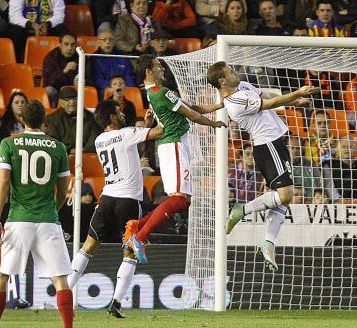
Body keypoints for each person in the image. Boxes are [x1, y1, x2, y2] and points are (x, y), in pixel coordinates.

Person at [207, 61, 318, 272]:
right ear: (222, 80)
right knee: (286, 195)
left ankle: (268, 242)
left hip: (276, 143)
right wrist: (297, 93)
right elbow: (267, 105)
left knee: (281, 197)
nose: (235, 71)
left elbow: (265, 96)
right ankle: (242, 209)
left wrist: (297, 102)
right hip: (267, 145)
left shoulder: (244, 87)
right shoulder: (234, 101)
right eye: (230, 71)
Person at [123, 55, 227, 264]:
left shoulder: (155, 94)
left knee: (183, 202)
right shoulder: (161, 93)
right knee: (179, 199)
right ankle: (140, 238)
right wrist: (215, 124)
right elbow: (193, 115)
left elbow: (189, 108)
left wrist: (218, 107)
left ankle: (136, 226)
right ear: (148, 72)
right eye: (157, 66)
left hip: (175, 145)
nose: (162, 68)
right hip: (174, 145)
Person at [66, 99, 163, 318]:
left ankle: (64, 292)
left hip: (108, 198)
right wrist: (157, 120)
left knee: (89, 245)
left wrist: (143, 127)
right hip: (128, 201)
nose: (122, 114)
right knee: (130, 252)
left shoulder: (100, 140)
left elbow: (126, 145)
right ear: (111, 116)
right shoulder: (128, 133)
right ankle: (116, 302)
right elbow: (159, 132)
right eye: (118, 112)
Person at [0, 100, 73, 328]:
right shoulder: (58, 147)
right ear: (45, 119)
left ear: (21, 119)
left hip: (17, 220)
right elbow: (64, 189)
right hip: (48, 221)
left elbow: (3, 182)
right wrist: (52, 209)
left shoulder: (9, 144)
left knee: (1, 275)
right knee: (60, 279)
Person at [47, 86, 100, 154]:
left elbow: (94, 139)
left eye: (75, 99)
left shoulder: (91, 118)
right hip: (63, 156)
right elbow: (53, 142)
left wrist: (83, 150)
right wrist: (69, 150)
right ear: (61, 102)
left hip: (86, 155)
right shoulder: (52, 119)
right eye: (67, 99)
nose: (72, 102)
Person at [91, 29, 137, 94]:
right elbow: (97, 80)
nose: (108, 42)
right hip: (105, 91)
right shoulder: (94, 58)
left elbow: (129, 75)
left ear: (114, 42)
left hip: (125, 89)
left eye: (111, 39)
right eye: (104, 39)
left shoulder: (123, 56)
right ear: (98, 42)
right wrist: (114, 87)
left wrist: (125, 87)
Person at [42, 33, 83, 105]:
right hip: (57, 92)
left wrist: (82, 81)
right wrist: (63, 71)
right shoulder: (51, 57)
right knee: (49, 90)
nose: (69, 48)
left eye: (72, 45)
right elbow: (48, 82)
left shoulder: (81, 57)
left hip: (76, 92)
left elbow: (90, 79)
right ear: (60, 45)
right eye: (66, 44)